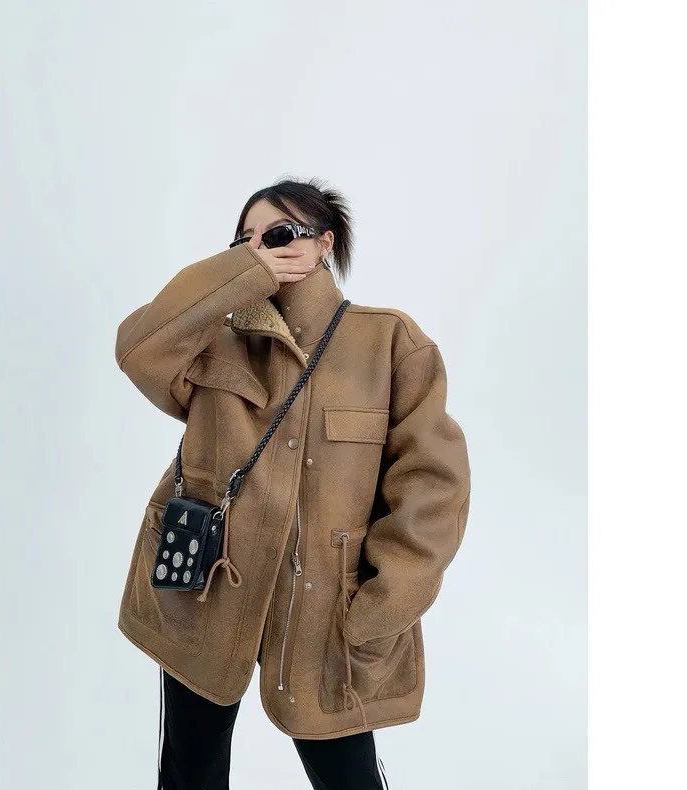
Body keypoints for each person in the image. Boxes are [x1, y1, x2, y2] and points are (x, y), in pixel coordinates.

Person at [115, 177, 471, 789]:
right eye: (244, 242)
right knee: (189, 772)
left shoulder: (389, 342)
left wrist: (385, 602)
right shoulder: (214, 340)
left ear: (325, 243)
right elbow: (139, 349)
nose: (261, 250)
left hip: (326, 608)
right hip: (205, 590)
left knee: (348, 778)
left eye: (279, 234)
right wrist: (238, 275)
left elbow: (433, 485)